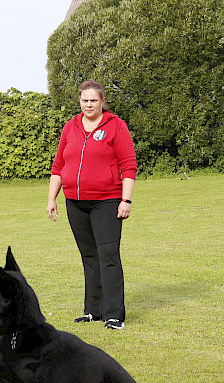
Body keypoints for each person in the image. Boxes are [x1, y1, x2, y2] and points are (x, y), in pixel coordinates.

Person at [47, 80, 138, 330]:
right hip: (75, 203)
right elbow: (59, 166)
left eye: (93, 100)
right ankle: (93, 311)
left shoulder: (116, 126)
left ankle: (113, 315)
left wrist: (125, 200)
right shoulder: (70, 127)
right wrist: (52, 198)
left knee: (108, 257)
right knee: (89, 257)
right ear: (79, 101)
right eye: (85, 100)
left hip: (106, 202)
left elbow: (129, 164)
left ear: (102, 101)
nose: (89, 104)